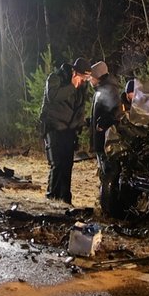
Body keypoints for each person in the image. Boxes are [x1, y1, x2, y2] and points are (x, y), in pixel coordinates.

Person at [39, 57, 91, 204]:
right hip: (53, 127)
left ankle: (65, 200)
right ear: (75, 72)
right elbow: (53, 97)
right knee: (57, 164)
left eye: (86, 78)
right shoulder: (55, 78)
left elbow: (79, 109)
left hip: (69, 131)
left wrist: (78, 128)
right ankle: (52, 198)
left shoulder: (81, 86)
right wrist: (72, 86)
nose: (85, 81)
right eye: (83, 77)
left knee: (68, 164)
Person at [87, 61, 122, 171]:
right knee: (103, 167)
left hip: (105, 141)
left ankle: (107, 187)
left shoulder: (109, 90)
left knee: (107, 169)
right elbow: (102, 110)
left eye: (91, 77)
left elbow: (116, 111)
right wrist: (91, 121)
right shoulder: (101, 90)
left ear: (98, 76)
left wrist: (103, 123)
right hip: (100, 139)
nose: (89, 80)